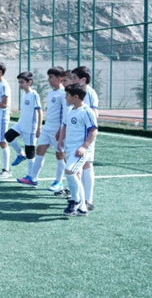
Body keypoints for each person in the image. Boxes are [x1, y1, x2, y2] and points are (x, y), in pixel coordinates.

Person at [18, 67, 66, 187]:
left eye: (51, 77)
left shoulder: (63, 94)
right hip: (47, 127)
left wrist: (61, 130)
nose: (48, 80)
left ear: (59, 79)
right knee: (39, 150)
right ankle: (32, 178)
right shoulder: (51, 92)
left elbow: (65, 114)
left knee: (60, 154)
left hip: (57, 129)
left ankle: (59, 181)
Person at [57, 83, 98, 217]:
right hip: (70, 150)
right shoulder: (70, 110)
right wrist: (61, 144)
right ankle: (82, 209)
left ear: (75, 96)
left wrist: (84, 146)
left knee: (69, 171)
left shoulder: (86, 111)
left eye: (67, 96)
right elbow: (66, 127)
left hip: (80, 151)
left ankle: (76, 200)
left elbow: (93, 131)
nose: (65, 98)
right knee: (76, 176)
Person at [7, 71, 42, 184]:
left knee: (30, 152)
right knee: (8, 136)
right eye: (19, 82)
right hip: (21, 124)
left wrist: (39, 128)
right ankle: (20, 154)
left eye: (22, 82)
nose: (20, 84)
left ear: (29, 82)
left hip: (30, 128)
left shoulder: (34, 94)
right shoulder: (24, 94)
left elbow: (40, 111)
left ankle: (31, 177)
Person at [71, 66, 99, 211]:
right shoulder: (76, 92)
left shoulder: (90, 93)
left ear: (83, 79)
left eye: (74, 77)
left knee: (87, 164)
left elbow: (94, 114)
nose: (72, 80)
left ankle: (88, 199)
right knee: (77, 166)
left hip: (86, 136)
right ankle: (78, 197)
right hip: (76, 135)